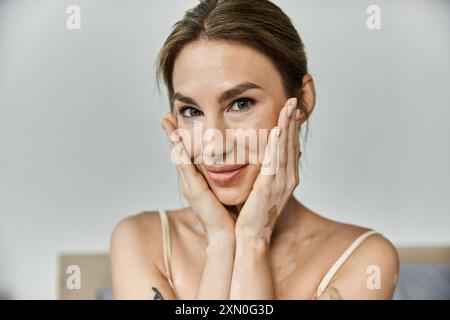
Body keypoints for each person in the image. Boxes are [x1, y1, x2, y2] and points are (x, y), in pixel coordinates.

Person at [110, 0, 399, 300]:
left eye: (241, 104)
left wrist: (253, 240)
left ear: (302, 101)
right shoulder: (142, 241)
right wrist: (221, 242)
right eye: (191, 111)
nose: (215, 145)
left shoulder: (363, 260)